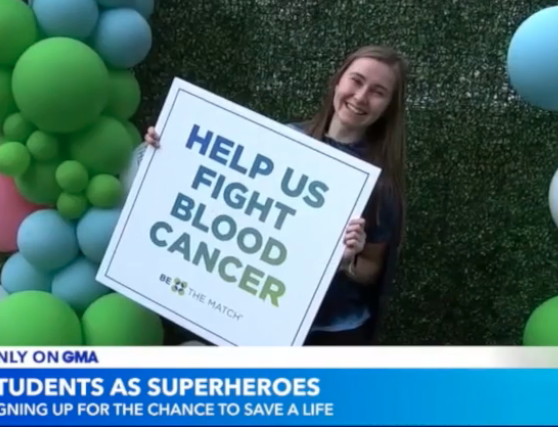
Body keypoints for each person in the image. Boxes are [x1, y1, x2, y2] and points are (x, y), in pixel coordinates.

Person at [143, 45, 408, 346]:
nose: (360, 97)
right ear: (338, 81)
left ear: (388, 106)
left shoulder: (379, 184)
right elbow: (218, 190)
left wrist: (347, 262)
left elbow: (372, 268)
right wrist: (170, 145)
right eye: (356, 80)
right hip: (255, 322)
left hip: (325, 336)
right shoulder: (284, 140)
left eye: (378, 92)